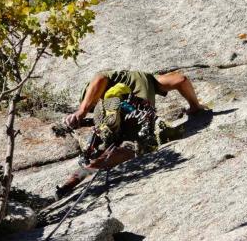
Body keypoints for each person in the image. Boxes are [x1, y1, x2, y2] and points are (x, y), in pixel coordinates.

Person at [55, 69, 208, 200]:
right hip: (141, 114)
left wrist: (82, 111)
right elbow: (181, 79)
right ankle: (89, 167)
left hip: (115, 104)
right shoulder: (148, 78)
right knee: (131, 148)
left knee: (108, 131)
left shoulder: (108, 79)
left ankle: (78, 175)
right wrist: (195, 106)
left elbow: (100, 78)